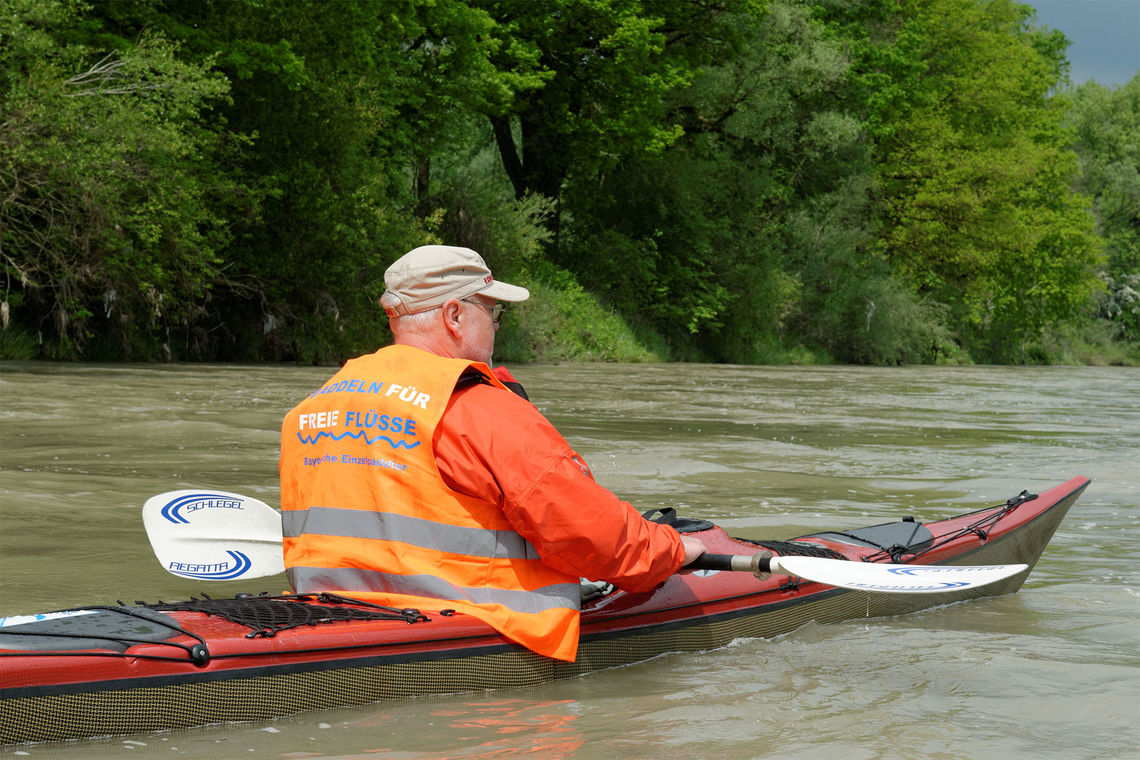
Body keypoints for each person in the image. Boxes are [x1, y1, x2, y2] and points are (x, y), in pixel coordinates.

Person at [279, 244, 706, 662]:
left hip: (331, 623)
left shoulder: (313, 407)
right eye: (493, 311)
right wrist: (671, 549)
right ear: (454, 315)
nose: (498, 326)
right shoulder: (479, 409)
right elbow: (593, 535)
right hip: (473, 637)